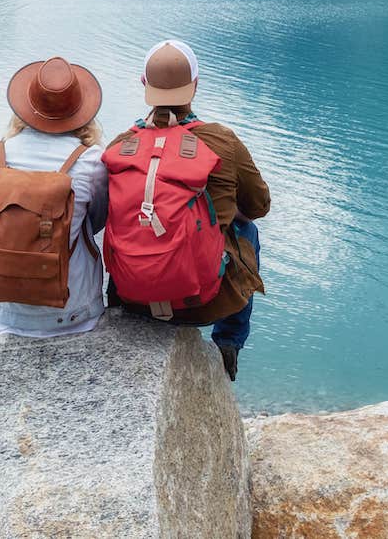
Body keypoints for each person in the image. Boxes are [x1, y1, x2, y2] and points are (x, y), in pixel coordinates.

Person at [106, 40, 270, 380]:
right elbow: (259, 207)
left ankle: (118, 311)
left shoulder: (120, 146)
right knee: (247, 231)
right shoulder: (222, 140)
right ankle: (228, 343)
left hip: (132, 298)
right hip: (202, 302)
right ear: (195, 85)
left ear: (143, 84)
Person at [0, 56, 109, 338]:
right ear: (81, 111)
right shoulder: (91, 161)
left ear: (26, 108)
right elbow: (98, 219)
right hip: (70, 314)